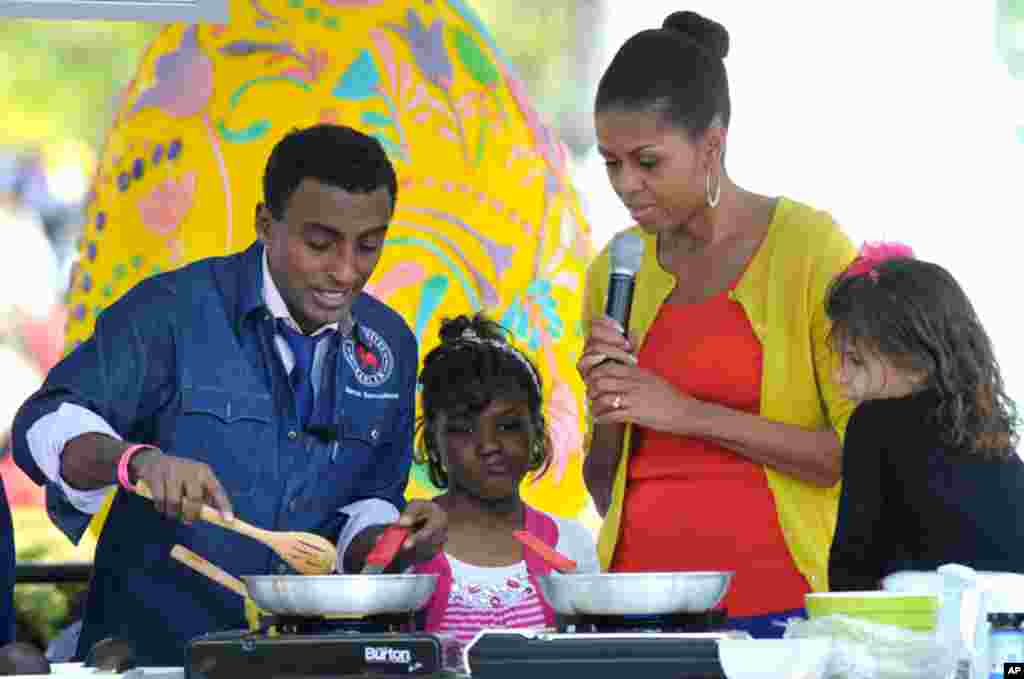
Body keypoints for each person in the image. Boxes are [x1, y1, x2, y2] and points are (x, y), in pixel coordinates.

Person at [11, 124, 446, 665]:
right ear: (265, 223)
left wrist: (392, 540)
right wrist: (137, 462)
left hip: (304, 663)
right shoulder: (172, 311)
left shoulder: (391, 346)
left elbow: (367, 505)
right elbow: (45, 424)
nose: (345, 270)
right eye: (319, 243)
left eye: (369, 245)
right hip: (155, 657)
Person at [577, 11, 857, 637]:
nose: (627, 185)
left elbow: (851, 457)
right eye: (611, 163)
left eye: (648, 162)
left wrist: (685, 412)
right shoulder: (613, 270)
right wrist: (609, 411)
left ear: (712, 145)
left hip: (780, 612)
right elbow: (603, 489)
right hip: (635, 611)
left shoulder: (811, 249)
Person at [826, 244, 1024, 591]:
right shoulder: (987, 422)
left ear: (916, 359)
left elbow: (850, 569)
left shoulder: (874, 424)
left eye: (855, 361)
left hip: (919, 626)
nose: (839, 376)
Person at [413, 314, 598, 653]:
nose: (489, 445)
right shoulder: (408, 546)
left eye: (508, 425)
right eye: (464, 429)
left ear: (537, 433)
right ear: (433, 443)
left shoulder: (571, 545)